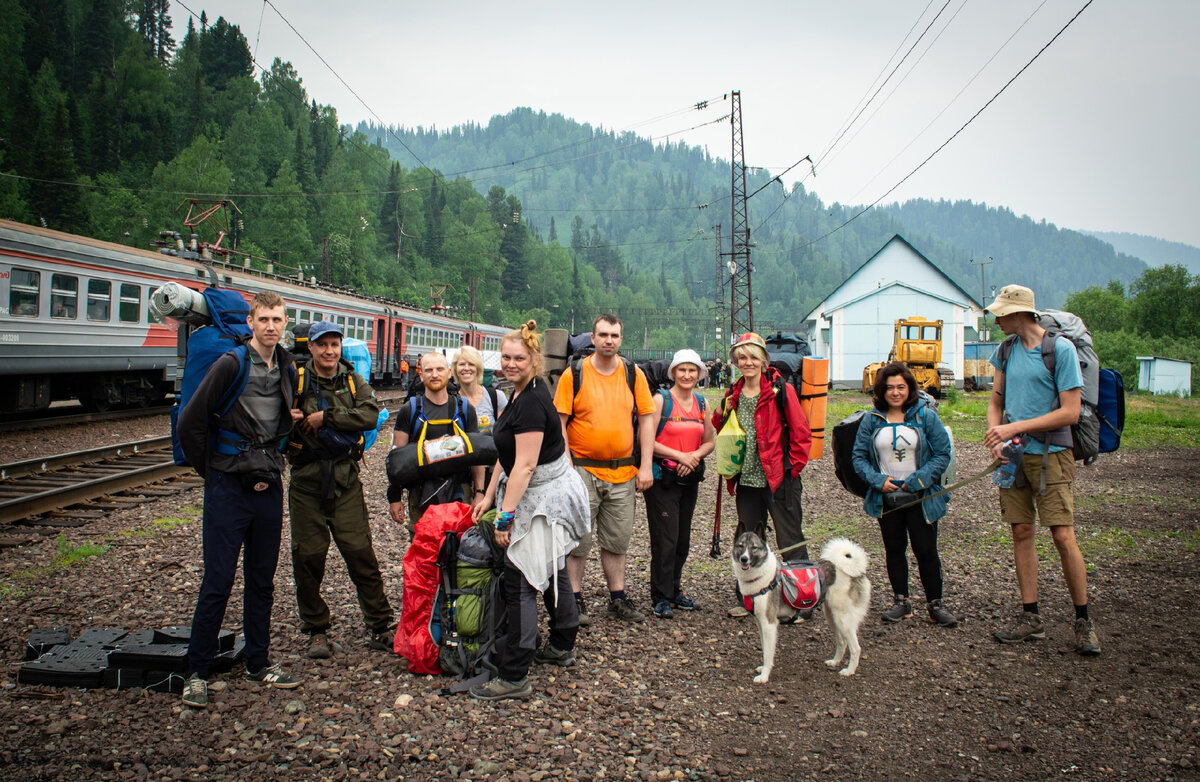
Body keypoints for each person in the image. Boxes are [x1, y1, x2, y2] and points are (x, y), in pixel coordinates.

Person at [176, 291, 303, 709]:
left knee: (262, 579)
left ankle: (258, 661)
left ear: (286, 323)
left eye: (277, 319)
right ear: (250, 322)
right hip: (228, 487)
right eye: (263, 319)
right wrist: (212, 472)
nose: (271, 326)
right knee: (218, 580)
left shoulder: (287, 365)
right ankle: (196, 672)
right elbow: (190, 422)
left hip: (268, 482)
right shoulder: (231, 363)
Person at [469, 321, 590, 701]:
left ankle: (515, 673)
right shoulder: (522, 392)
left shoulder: (533, 401)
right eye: (505, 357)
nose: (510, 364)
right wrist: (488, 495)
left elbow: (523, 465)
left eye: (519, 358)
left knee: (518, 573)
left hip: (544, 496)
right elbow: (507, 457)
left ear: (534, 360)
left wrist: (505, 517)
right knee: (552, 566)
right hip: (539, 488)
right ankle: (562, 644)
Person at [984, 284, 1100, 655]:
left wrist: (1014, 428)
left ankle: (1083, 620)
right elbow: (996, 401)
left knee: (1063, 535)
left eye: (1001, 313)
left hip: (1052, 454)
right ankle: (1031, 617)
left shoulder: (1059, 350)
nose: (997, 319)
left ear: (1020, 312)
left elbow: (1069, 411)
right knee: (1021, 531)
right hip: (1013, 455)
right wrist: (997, 436)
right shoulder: (1006, 350)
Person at [288, 321, 394, 660]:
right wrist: (286, 417)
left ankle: (379, 625)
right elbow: (271, 413)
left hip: (346, 479)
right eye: (322, 345)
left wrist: (326, 417)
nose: (329, 351)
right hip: (306, 481)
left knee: (360, 552)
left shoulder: (353, 380)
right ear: (312, 348)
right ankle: (316, 629)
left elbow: (370, 415)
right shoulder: (295, 379)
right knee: (308, 557)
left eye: (334, 344)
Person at [553, 314, 656, 624]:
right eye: (603, 335)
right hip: (582, 469)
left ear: (621, 339)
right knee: (579, 539)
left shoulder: (632, 374)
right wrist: (565, 461)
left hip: (623, 471)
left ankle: (618, 597)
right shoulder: (575, 374)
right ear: (593, 339)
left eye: (614, 335)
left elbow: (647, 418)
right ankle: (575, 599)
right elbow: (559, 420)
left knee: (617, 539)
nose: (609, 340)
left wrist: (646, 465)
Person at [712, 332, 812, 618]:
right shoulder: (734, 393)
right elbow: (719, 425)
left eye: (754, 356)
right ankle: (751, 601)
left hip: (779, 478)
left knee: (789, 538)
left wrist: (792, 469)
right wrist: (722, 410)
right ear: (735, 361)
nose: (748, 362)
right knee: (747, 538)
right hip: (746, 480)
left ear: (764, 360)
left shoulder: (780, 391)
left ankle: (801, 601)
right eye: (742, 357)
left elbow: (801, 433)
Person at [851, 362, 957, 627]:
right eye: (889, 388)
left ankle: (935, 605)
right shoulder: (871, 419)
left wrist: (919, 480)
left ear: (909, 388)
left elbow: (943, 453)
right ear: (881, 390)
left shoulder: (926, 417)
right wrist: (877, 480)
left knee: (926, 549)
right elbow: (858, 456)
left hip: (921, 497)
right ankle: (902, 602)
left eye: (901, 387)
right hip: (887, 496)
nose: (895, 392)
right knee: (894, 549)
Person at [645, 349, 715, 619]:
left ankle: (675, 590)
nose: (687, 375)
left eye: (692, 370)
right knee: (666, 538)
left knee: (683, 539)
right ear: (673, 372)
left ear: (699, 374)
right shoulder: (661, 400)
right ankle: (660, 596)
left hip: (689, 479)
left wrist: (694, 457)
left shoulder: (701, 403)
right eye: (682, 370)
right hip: (663, 478)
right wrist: (680, 456)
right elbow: (647, 439)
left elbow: (709, 440)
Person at [388, 352, 484, 533]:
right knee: (424, 548)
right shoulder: (410, 410)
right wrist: (395, 497)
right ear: (421, 375)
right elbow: (396, 458)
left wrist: (479, 493)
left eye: (439, 369)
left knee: (458, 545)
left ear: (449, 373)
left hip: (459, 490)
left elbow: (476, 456)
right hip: (421, 491)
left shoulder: (464, 409)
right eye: (428, 370)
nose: (434, 374)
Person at [453, 345, 507, 435]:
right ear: (455, 369)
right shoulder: (451, 401)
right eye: (462, 364)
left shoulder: (497, 397)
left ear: (478, 368)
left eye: (471, 364)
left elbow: (504, 433)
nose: (466, 368)